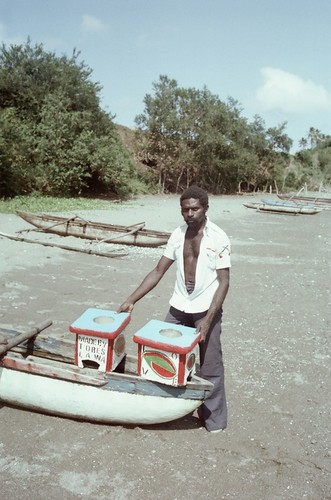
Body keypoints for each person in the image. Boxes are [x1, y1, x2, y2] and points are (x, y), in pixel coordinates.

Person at [118, 186, 231, 433]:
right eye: (185, 209)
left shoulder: (218, 237)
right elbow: (158, 271)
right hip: (180, 306)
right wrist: (131, 299)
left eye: (195, 208)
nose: (189, 214)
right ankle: (161, 408)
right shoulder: (177, 235)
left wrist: (208, 319)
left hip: (206, 308)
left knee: (210, 365)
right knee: (160, 354)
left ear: (205, 208)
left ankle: (214, 421)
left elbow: (224, 281)